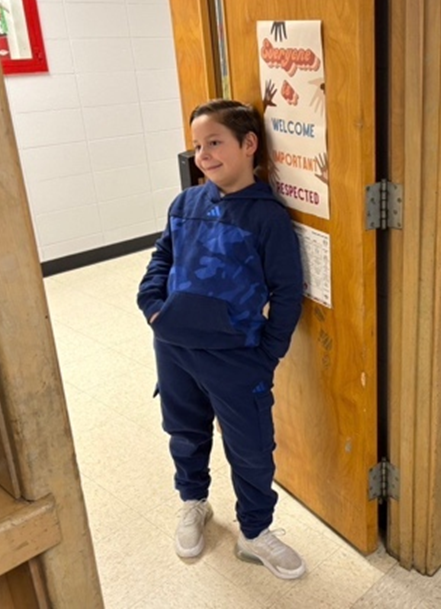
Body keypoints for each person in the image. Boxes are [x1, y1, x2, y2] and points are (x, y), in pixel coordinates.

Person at [137, 99, 306, 580]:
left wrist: (267, 355)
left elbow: (287, 292)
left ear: (248, 145)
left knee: (251, 449)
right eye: (197, 145)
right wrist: (153, 308)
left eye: (214, 142)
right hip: (174, 349)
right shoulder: (186, 203)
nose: (204, 155)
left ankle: (255, 531)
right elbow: (161, 259)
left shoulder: (266, 216)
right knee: (184, 433)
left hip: (236, 360)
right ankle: (193, 503)